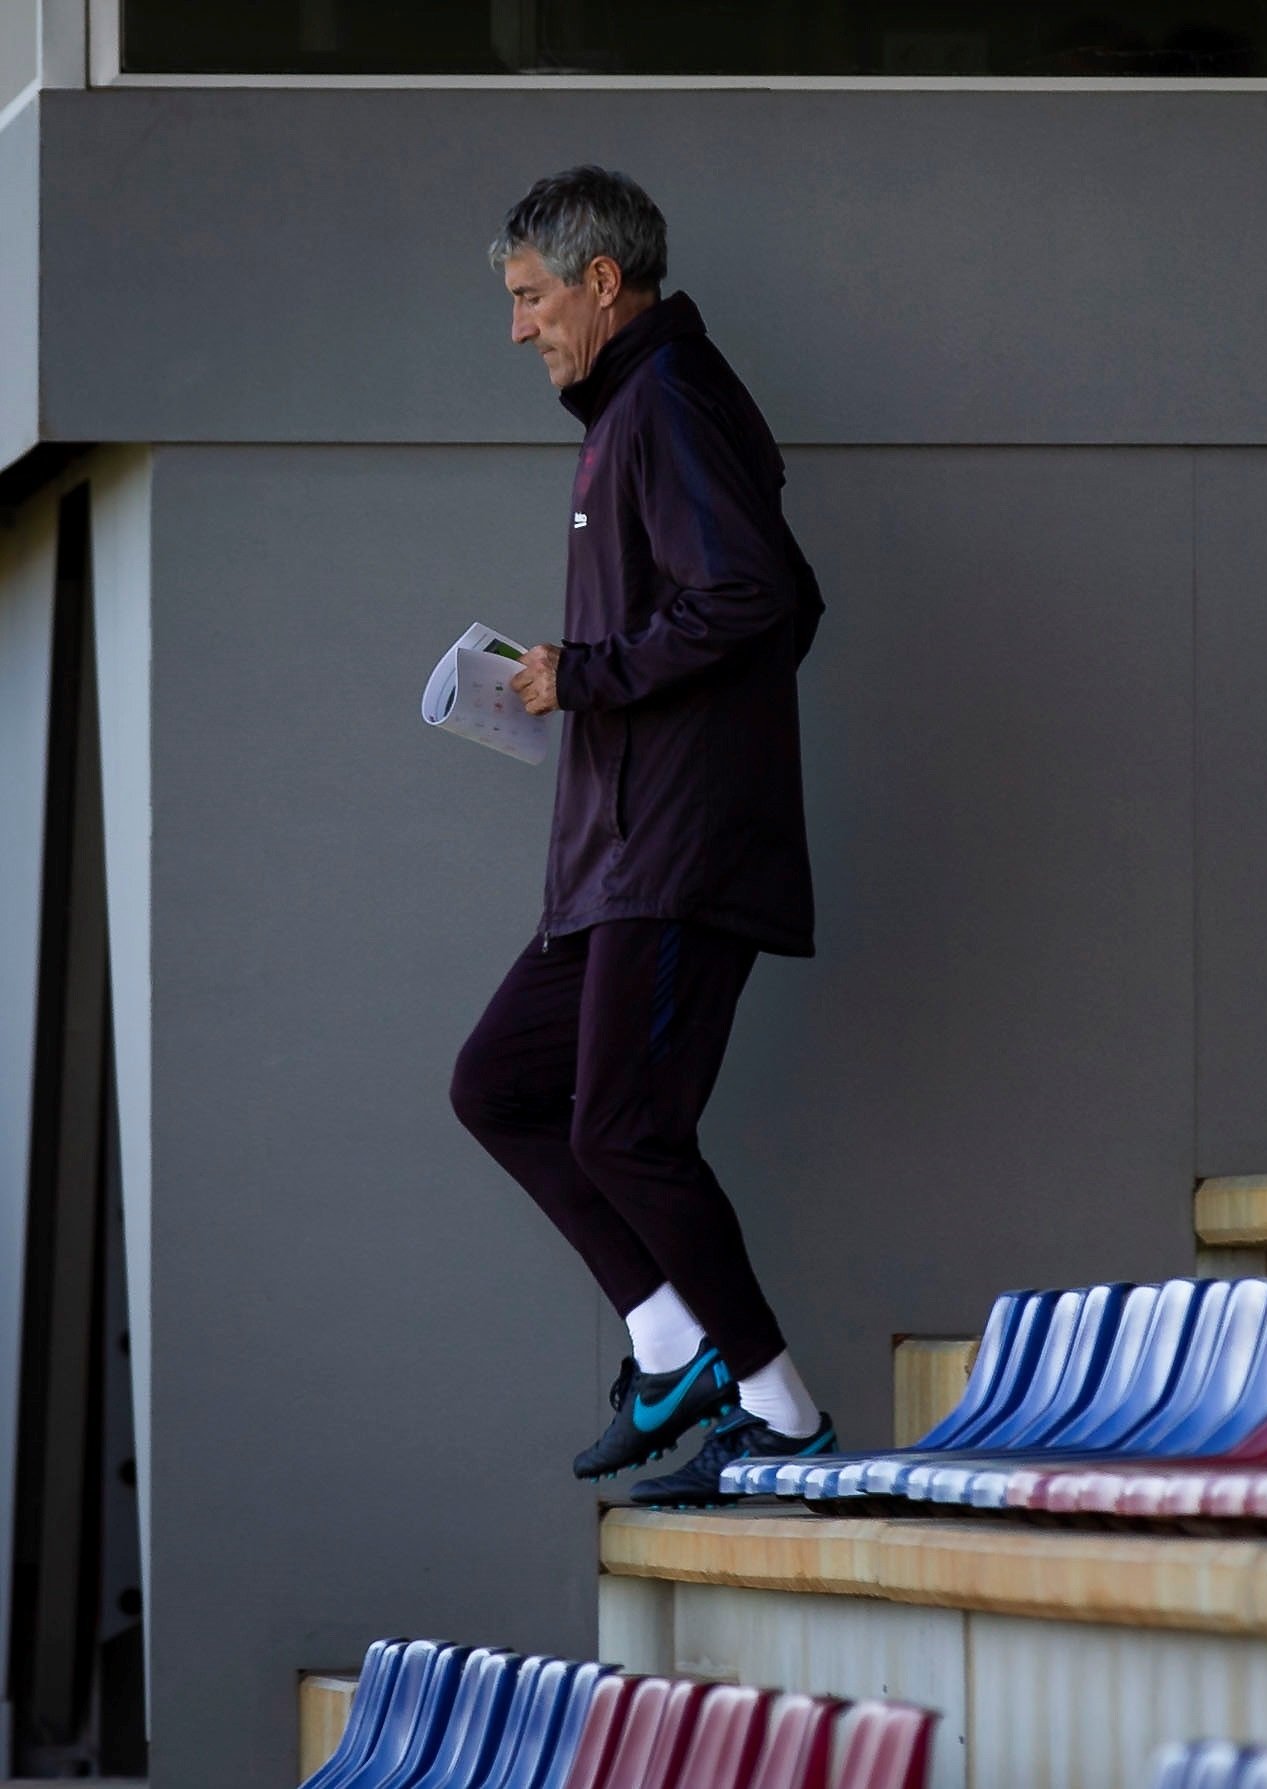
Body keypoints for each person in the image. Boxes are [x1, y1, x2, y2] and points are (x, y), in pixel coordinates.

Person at [450, 165, 835, 1505]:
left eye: (531, 296)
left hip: (672, 852)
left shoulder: (666, 400)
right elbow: (776, 595)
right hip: (620, 855)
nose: (520, 328)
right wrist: (589, 672)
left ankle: (784, 1414)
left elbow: (762, 596)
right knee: (498, 1081)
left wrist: (592, 677)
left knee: (624, 1130)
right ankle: (671, 1343)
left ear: (600, 282)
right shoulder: (638, 407)